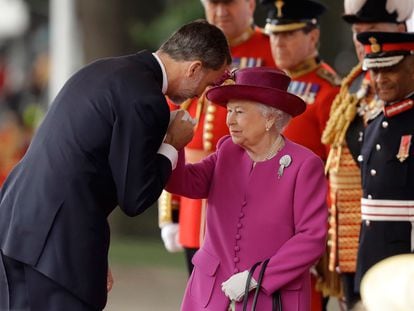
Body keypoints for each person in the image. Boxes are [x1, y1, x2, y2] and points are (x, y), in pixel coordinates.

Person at [0, 19, 231, 311]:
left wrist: (93, 251)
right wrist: (172, 143)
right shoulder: (147, 99)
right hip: (56, 247)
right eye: (207, 84)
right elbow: (135, 196)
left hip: (16, 225)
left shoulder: (105, 69)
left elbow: (84, 167)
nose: (200, 95)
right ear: (194, 68)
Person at [166, 67, 328, 311]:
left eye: (239, 112)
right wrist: (174, 144)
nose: (229, 119)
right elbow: (183, 183)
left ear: (270, 118)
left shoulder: (304, 165)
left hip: (272, 298)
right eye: (229, 110)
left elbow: (311, 238)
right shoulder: (226, 151)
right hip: (210, 293)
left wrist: (257, 277)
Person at [158, 0, 276, 275]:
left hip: (246, 190)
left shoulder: (271, 48)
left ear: (249, 5)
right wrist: (169, 211)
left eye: (230, 4)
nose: (221, 12)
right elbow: (171, 124)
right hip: (192, 199)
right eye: (214, 3)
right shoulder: (190, 50)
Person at [321, 0, 412, 309]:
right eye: (358, 33)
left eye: (372, 31)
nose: (363, 43)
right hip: (355, 244)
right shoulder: (352, 95)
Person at [260, 0, 341, 309]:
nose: (279, 42)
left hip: (300, 227)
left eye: (290, 34)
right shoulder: (266, 85)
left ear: (313, 37)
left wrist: (320, 235)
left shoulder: (330, 91)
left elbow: (337, 172)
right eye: (274, 34)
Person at [353, 30, 414, 298]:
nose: (380, 80)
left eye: (390, 69)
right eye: (375, 71)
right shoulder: (374, 124)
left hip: (405, 260)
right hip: (371, 256)